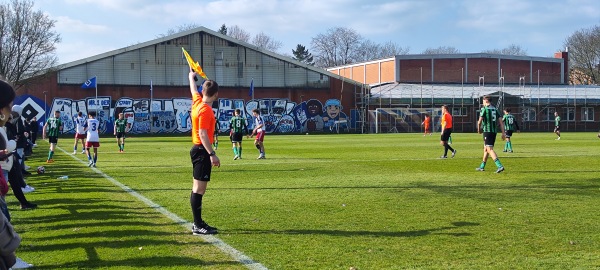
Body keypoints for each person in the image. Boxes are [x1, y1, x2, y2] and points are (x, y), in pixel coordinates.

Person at [188, 69, 220, 235]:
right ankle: (197, 225)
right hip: (201, 150)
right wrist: (212, 154)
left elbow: (194, 90)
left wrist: (191, 77)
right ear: (215, 95)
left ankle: (197, 223)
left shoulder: (197, 102)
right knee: (199, 189)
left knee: (197, 188)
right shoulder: (206, 110)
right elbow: (202, 133)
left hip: (197, 149)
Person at [476, 96, 505, 173]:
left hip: (487, 131)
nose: (482, 102)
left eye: (483, 101)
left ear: (486, 101)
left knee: (489, 149)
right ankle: (482, 166)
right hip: (493, 131)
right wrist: (503, 133)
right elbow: (501, 122)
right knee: (486, 148)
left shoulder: (484, 109)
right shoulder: (495, 109)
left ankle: (499, 166)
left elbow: (479, 122)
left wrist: (479, 130)